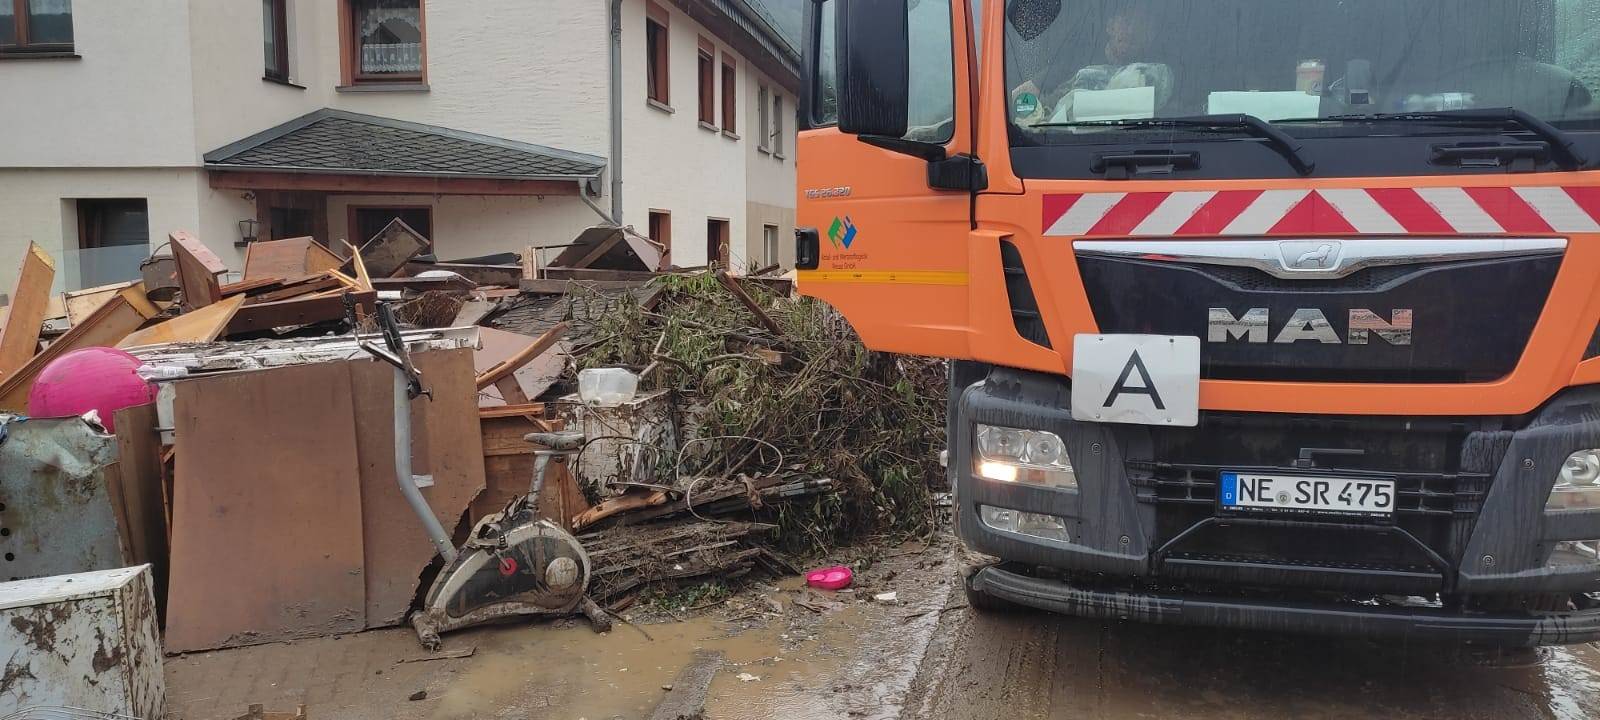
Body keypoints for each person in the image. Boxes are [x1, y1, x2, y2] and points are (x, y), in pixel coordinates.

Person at [1009, 3, 1173, 123]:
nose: (1132, 30)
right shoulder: (1072, 64)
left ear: (1151, 36)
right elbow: (1021, 98)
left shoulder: (1158, 78)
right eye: (1127, 21)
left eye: (1142, 24)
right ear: (1110, 26)